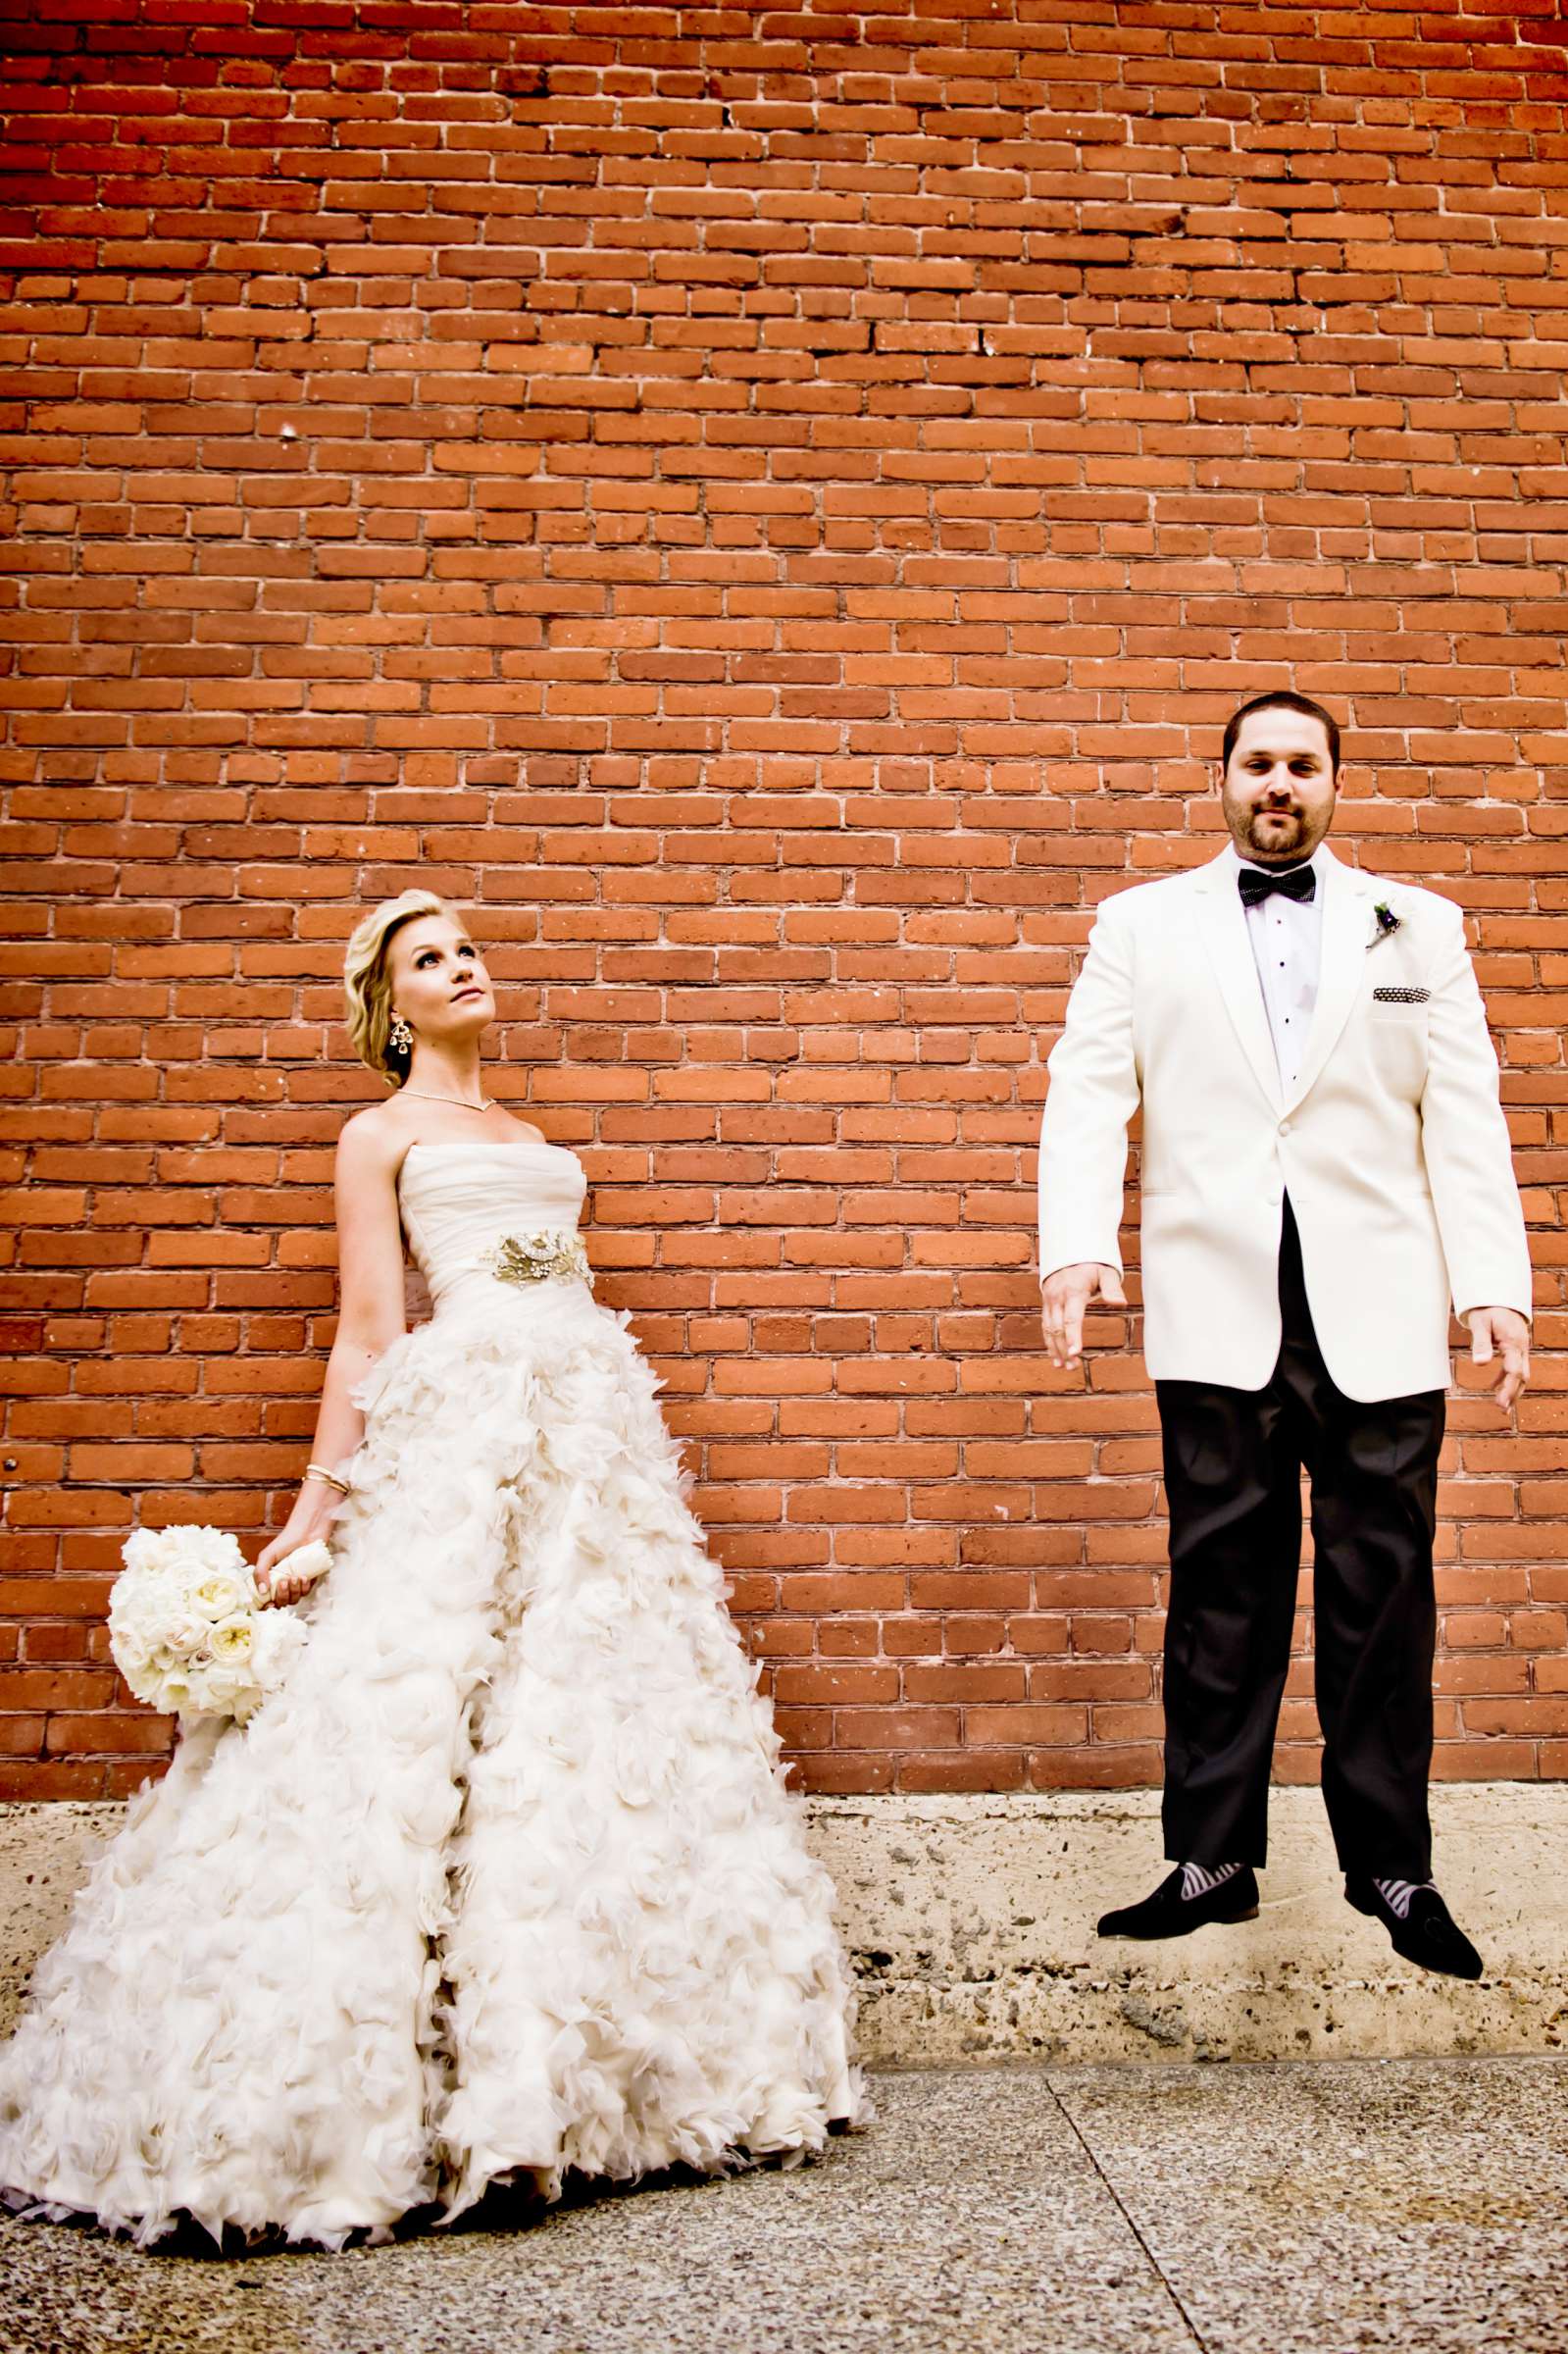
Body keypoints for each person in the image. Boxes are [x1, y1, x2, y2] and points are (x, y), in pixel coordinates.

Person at [0, 890, 866, 2248]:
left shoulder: (525, 1137)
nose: (462, 967)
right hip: (465, 1432)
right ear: (389, 1009)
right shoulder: (379, 1134)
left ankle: (589, 2070)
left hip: (587, 1436)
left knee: (582, 1719)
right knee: (418, 1709)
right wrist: (317, 1510)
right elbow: (367, 1333)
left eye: (467, 948)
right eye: (428, 960)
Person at [1037, 691, 1532, 1980]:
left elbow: (1464, 1114)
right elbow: (1089, 1089)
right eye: (1257, 762)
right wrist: (1078, 1246)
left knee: (1385, 1600)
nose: (1279, 783)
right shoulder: (1138, 928)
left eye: (1302, 765)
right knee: (1221, 1590)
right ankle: (1210, 1860)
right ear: (1222, 778)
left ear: (1331, 784)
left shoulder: (1422, 927)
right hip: (1217, 1304)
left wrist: (1495, 1283)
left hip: (1380, 1307)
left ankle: (1393, 1870)